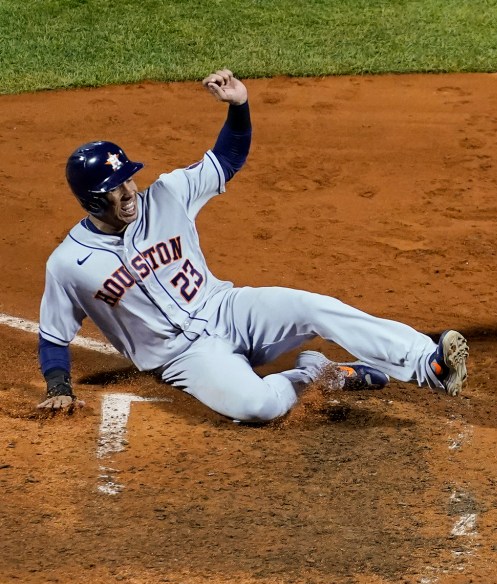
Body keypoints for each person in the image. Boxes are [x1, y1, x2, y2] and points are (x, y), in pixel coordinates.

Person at [37, 69, 468, 422]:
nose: (129, 191)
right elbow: (54, 335)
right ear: (93, 200)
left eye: (129, 178)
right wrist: (58, 388)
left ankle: (427, 364)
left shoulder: (168, 194)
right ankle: (317, 372)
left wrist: (239, 107)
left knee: (313, 307)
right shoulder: (69, 265)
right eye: (116, 188)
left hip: (228, 308)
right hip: (185, 357)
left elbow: (227, 158)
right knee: (258, 407)